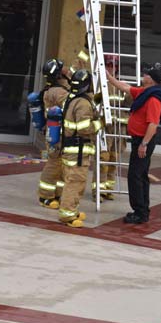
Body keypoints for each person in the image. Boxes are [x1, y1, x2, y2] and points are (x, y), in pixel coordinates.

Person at [106, 63, 161, 224]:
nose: (144, 75)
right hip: (139, 140)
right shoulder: (145, 92)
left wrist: (144, 144)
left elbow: (153, 124)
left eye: (147, 74)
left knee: (135, 176)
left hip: (143, 142)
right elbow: (126, 88)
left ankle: (139, 213)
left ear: (152, 80)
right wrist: (109, 77)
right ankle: (142, 210)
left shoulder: (154, 99)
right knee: (140, 175)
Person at [58, 69, 101, 228]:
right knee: (75, 183)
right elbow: (84, 129)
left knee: (73, 182)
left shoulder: (71, 98)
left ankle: (72, 210)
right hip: (78, 151)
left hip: (71, 150)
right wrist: (99, 124)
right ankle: (67, 215)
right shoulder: (82, 103)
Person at [92, 54, 132, 201]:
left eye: (113, 65)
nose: (111, 68)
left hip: (119, 128)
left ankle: (108, 188)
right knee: (103, 158)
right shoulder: (98, 83)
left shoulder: (121, 85)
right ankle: (98, 190)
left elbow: (128, 103)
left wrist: (131, 91)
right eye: (108, 65)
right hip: (105, 126)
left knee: (114, 159)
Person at [37, 58, 70, 209]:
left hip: (59, 134)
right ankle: (45, 196)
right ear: (58, 74)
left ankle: (57, 193)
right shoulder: (58, 92)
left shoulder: (52, 89)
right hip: (57, 135)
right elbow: (71, 108)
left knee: (61, 165)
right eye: (63, 69)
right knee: (53, 164)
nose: (67, 70)